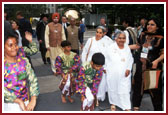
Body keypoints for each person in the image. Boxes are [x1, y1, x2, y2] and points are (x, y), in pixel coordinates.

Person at [132, 18, 164, 111]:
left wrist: (157, 61)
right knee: (138, 87)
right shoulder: (142, 35)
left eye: (152, 24)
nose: (149, 26)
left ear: (157, 27)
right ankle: (136, 108)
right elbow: (138, 46)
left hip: (153, 67)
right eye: (148, 24)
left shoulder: (161, 38)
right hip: (140, 66)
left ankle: (158, 110)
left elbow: (164, 53)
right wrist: (121, 46)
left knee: (154, 89)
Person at [4, 34, 39, 111]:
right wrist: (18, 101)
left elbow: (33, 79)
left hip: (26, 100)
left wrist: (33, 98)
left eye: (15, 44)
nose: (14, 48)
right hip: (9, 103)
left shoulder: (24, 61)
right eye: (10, 45)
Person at [106, 31, 133, 111]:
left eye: (123, 38)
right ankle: (113, 103)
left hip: (124, 73)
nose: (122, 40)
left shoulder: (127, 48)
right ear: (116, 39)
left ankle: (126, 106)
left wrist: (128, 68)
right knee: (113, 88)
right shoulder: (111, 47)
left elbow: (130, 59)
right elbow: (106, 58)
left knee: (124, 89)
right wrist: (105, 68)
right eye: (120, 38)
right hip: (113, 72)